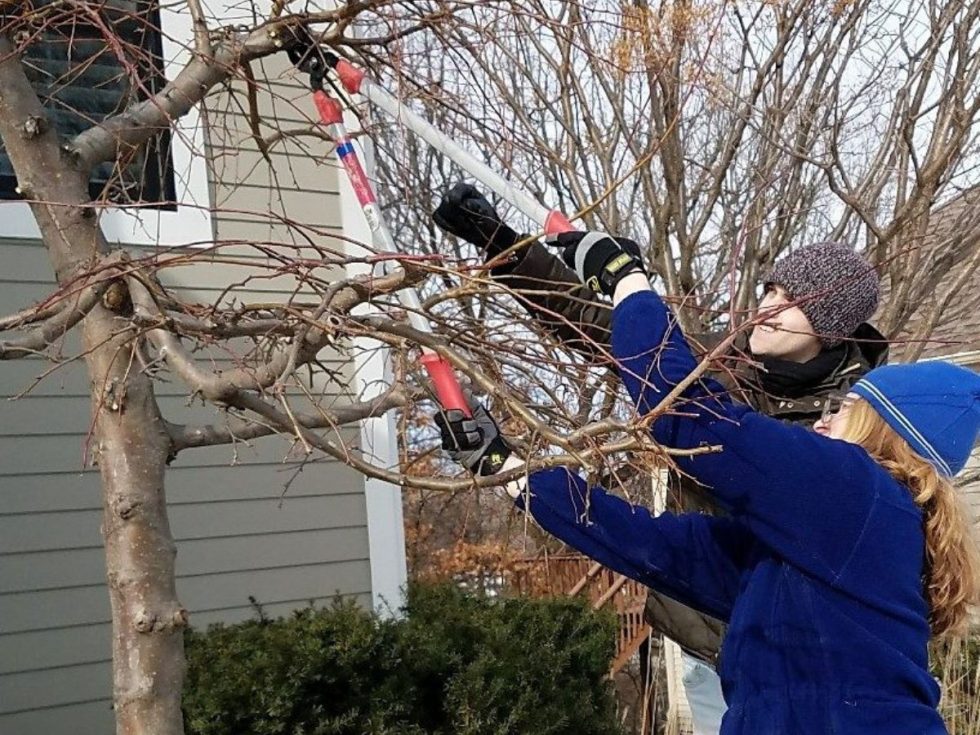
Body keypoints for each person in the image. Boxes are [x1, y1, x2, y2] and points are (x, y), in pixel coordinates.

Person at [436, 231, 980, 733]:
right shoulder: (830, 531)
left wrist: (628, 280)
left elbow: (682, 413)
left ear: (884, 432)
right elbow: (654, 545)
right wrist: (510, 472)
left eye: (845, 412)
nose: (822, 421)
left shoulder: (856, 490)